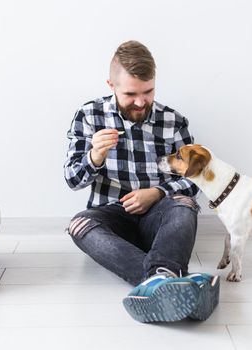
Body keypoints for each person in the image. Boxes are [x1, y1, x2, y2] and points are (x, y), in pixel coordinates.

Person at [64, 40, 219, 323]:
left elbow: (195, 182)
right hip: (112, 218)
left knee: (184, 203)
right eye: (131, 94)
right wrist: (95, 155)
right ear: (111, 85)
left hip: (159, 219)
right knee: (78, 224)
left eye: (148, 92)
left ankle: (159, 281)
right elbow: (73, 180)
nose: (140, 102)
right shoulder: (89, 116)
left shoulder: (173, 121)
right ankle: (165, 279)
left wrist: (157, 193)